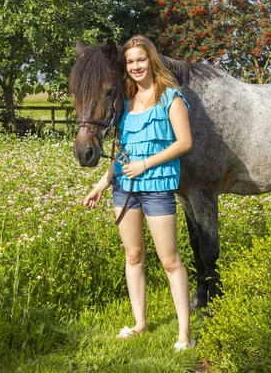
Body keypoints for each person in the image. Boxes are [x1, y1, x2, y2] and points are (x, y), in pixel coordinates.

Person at [83, 35, 194, 351]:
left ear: (152, 61)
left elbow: (184, 142)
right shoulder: (125, 103)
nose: (135, 66)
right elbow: (122, 152)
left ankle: (184, 334)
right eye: (130, 62)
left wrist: (145, 164)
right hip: (124, 189)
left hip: (157, 188)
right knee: (133, 255)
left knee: (170, 260)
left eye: (140, 60)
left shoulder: (169, 98)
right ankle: (140, 323)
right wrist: (102, 185)